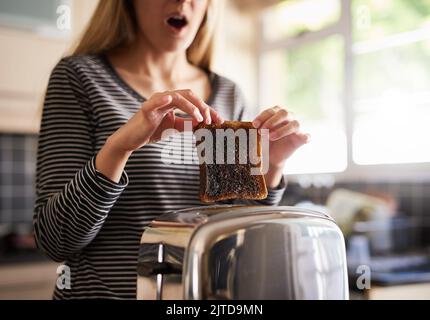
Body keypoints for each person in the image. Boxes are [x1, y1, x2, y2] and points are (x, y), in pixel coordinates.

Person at [34, 0, 309, 299]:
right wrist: (120, 146)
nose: (182, 1)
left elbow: (241, 243)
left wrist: (271, 169)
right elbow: (54, 240)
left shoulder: (229, 95)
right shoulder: (79, 77)